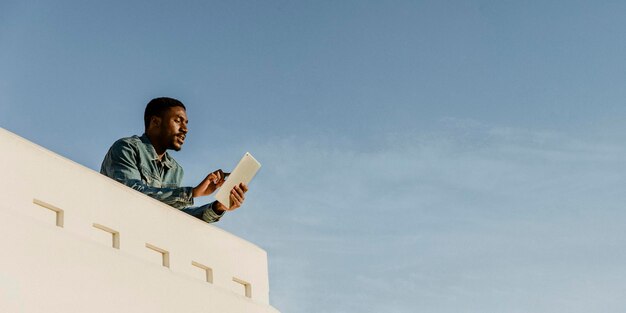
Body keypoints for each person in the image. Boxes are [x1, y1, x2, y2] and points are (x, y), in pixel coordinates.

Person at [100, 97, 248, 223]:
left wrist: (218, 207)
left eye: (186, 123)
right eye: (178, 121)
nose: (185, 129)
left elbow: (176, 217)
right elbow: (130, 193)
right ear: (155, 122)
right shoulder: (127, 148)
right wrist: (192, 193)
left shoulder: (175, 169)